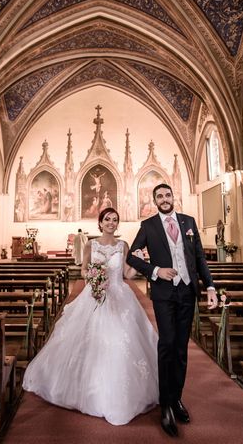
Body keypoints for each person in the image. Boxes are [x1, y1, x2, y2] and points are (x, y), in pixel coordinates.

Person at [22, 208, 159, 425]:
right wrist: (93, 277)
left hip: (118, 295)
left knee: (119, 341)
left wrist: (138, 260)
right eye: (107, 219)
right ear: (100, 222)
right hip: (94, 296)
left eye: (115, 220)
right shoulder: (90, 244)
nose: (111, 223)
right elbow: (84, 269)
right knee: (87, 340)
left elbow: (126, 274)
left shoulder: (123, 246)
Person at [127, 183, 218, 437]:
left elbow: (199, 257)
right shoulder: (148, 226)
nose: (164, 199)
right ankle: (165, 404)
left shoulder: (188, 222)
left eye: (167, 195)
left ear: (173, 197)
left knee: (180, 348)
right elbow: (132, 257)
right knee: (166, 344)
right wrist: (156, 271)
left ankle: (177, 398)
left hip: (187, 292)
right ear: (154, 200)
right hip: (164, 294)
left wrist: (210, 286)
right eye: (159, 196)